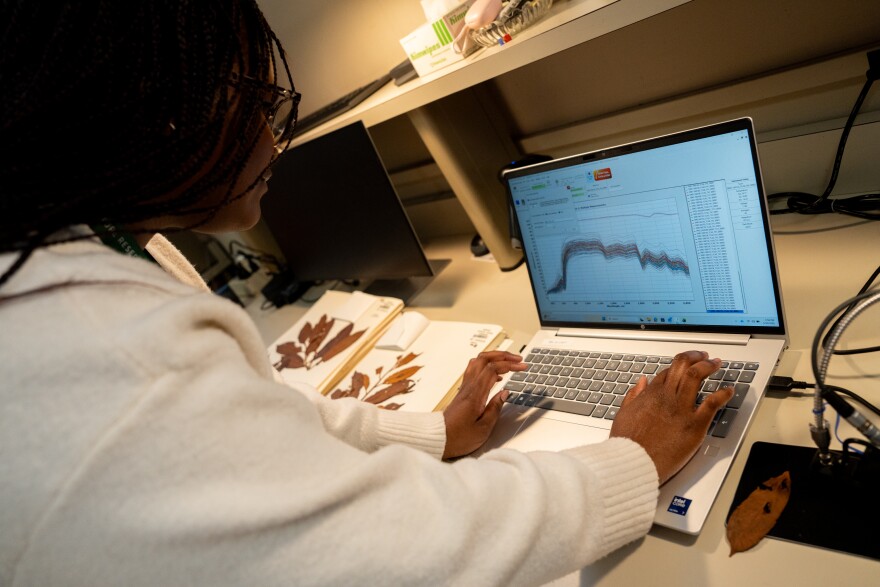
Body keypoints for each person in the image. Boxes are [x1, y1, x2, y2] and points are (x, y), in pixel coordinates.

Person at [0, 2, 733, 585]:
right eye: (249, 100)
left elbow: (266, 423)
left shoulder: (83, 249)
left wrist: (435, 433)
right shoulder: (116, 361)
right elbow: (412, 548)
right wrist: (633, 460)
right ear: (154, 114)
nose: (272, 138)